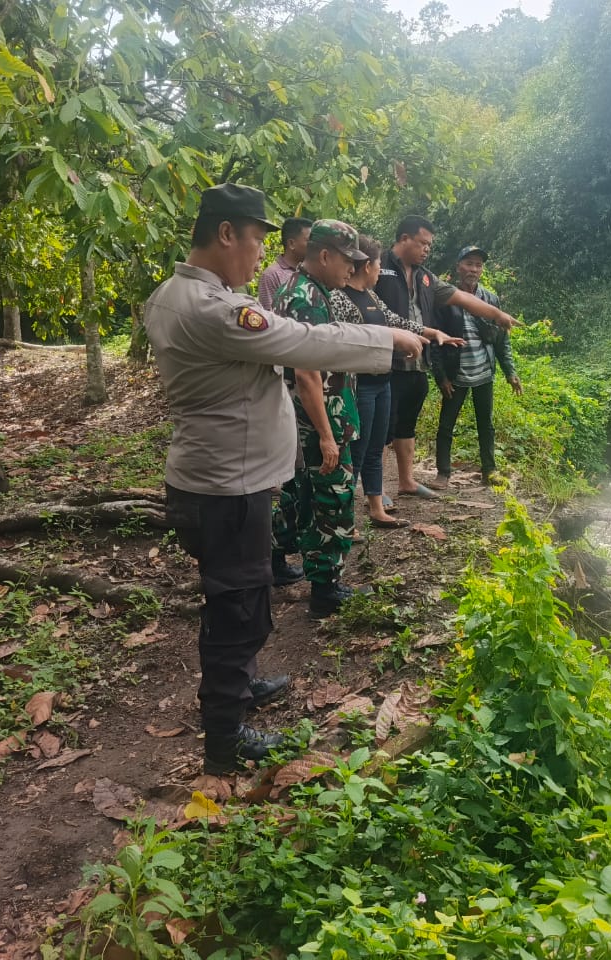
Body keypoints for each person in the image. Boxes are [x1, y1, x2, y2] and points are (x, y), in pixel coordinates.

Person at [143, 185, 424, 774]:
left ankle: (239, 688)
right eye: (256, 240)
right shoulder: (214, 309)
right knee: (238, 609)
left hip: (216, 479)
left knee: (237, 598)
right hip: (226, 488)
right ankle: (225, 741)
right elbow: (304, 341)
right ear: (227, 234)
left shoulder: (174, 295)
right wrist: (387, 338)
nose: (262, 256)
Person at [273, 220, 388, 619]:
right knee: (333, 499)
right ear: (324, 256)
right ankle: (326, 588)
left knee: (299, 494)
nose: (352, 268)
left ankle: (276, 561)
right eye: (347, 260)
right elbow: (307, 372)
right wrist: (325, 434)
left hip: (311, 418)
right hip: (320, 420)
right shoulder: (307, 297)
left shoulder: (305, 289)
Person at [373, 215, 521, 499]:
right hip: (386, 363)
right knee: (381, 429)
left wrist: (497, 314)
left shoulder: (426, 277)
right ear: (404, 239)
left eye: (429, 245)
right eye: (422, 243)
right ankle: (375, 490)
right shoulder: (378, 267)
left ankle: (406, 481)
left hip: (418, 363)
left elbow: (463, 299)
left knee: (407, 426)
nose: (427, 249)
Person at [329, 234, 465, 527]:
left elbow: (396, 321)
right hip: (359, 386)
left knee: (376, 447)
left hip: (382, 382)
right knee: (357, 452)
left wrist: (431, 333)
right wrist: (393, 339)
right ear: (367, 266)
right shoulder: (340, 297)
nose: (380, 271)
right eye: (378, 265)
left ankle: (376, 508)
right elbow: (346, 339)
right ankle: (345, 518)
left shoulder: (371, 296)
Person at [430, 245, 521, 488]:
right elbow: (435, 341)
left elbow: (501, 340)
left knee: (486, 424)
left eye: (478, 265)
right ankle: (443, 473)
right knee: (446, 424)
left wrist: (510, 372)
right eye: (469, 263)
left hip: (483, 372)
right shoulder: (445, 298)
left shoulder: (490, 299)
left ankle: (489, 471)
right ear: (458, 266)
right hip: (455, 374)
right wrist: (441, 377)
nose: (473, 269)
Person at [259, 216, 313, 586]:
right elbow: (269, 328)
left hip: (307, 379)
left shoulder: (310, 277)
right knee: (287, 477)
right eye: (308, 238)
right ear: (292, 242)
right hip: (288, 381)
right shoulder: (272, 276)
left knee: (300, 474)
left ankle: (290, 546)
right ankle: (276, 555)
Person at [256, 217, 312, 310]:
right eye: (309, 241)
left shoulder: (311, 272)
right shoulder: (272, 275)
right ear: (291, 244)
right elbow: (268, 314)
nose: (313, 245)